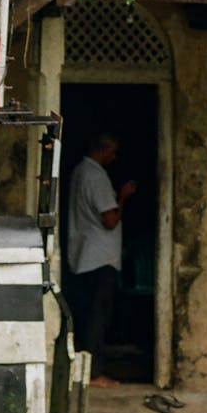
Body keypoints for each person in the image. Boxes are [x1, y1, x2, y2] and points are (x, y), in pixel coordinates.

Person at [67, 132, 136, 388]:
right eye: (113, 152)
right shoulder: (96, 176)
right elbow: (110, 220)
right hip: (100, 258)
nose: (114, 157)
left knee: (87, 316)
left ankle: (85, 370)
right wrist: (123, 196)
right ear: (103, 149)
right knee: (98, 318)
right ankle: (95, 374)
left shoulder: (79, 172)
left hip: (85, 256)